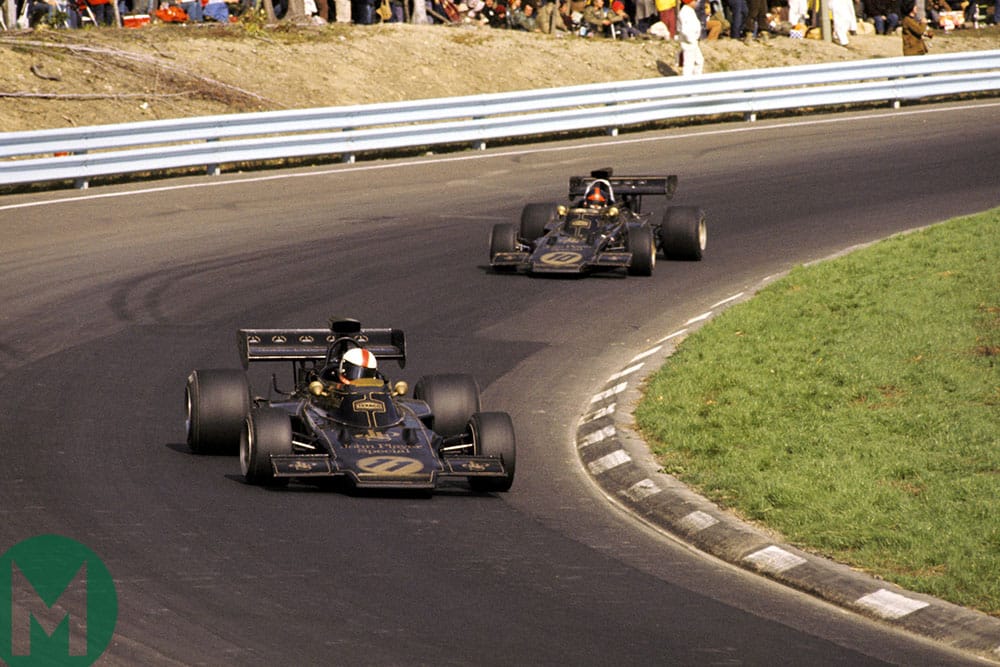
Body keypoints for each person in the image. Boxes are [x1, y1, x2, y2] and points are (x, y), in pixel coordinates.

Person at [678, 0, 705, 74]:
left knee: (699, 61)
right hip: (689, 43)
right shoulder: (684, 12)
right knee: (688, 64)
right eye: (695, 1)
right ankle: (687, 81)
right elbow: (685, 29)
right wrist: (691, 40)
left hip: (693, 42)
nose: (696, 3)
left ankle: (697, 79)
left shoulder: (690, 11)